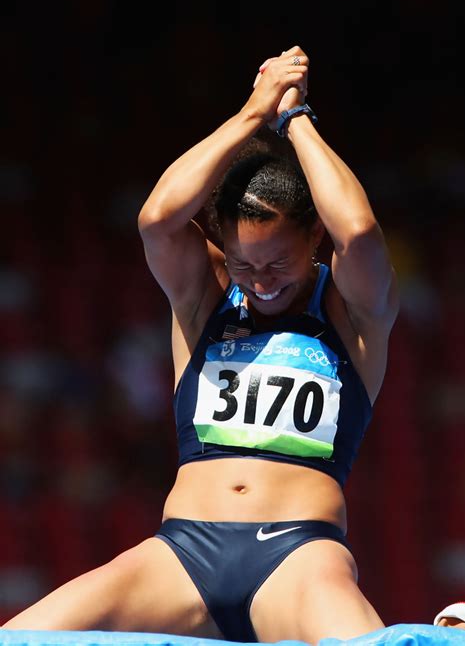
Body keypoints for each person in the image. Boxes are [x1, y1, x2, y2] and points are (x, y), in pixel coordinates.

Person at [2, 45, 399, 643]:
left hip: (297, 556)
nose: (261, 281)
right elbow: (158, 219)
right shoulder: (205, 298)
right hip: (181, 554)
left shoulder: (351, 313)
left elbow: (360, 230)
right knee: (23, 637)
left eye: (278, 263)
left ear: (314, 234)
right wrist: (252, 111)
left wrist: (295, 121)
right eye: (244, 263)